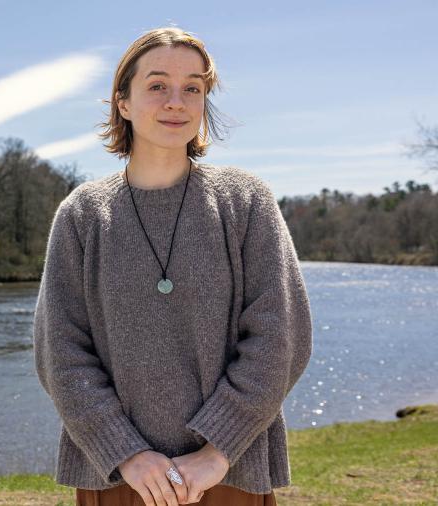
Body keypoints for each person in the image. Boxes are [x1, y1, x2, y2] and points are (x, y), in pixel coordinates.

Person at [32, 26, 313, 506]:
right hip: (116, 478)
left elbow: (281, 336)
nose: (176, 102)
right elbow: (60, 351)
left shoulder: (245, 201)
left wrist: (216, 450)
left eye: (193, 88)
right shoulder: (82, 214)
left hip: (230, 473)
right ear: (122, 102)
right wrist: (126, 453)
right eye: (157, 85)